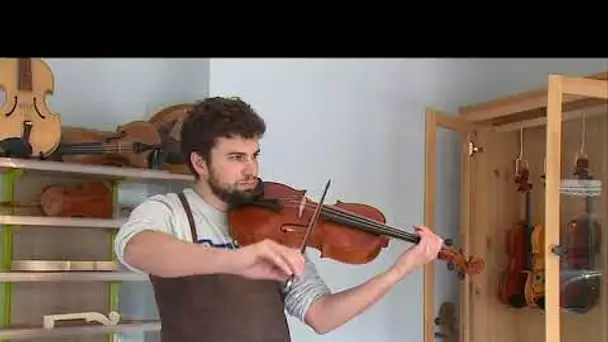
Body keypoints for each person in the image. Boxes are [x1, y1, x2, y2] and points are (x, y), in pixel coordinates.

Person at [114, 96, 444, 342]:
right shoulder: (169, 212)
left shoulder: (276, 224)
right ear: (200, 163)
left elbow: (322, 316)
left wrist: (400, 270)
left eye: (255, 155)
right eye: (236, 158)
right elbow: (136, 249)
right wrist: (235, 260)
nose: (252, 170)